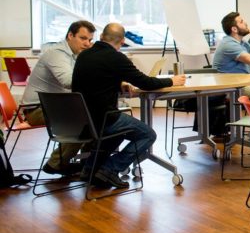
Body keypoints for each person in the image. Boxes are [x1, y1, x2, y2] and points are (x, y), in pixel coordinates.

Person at [71, 23, 185, 189]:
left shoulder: (84, 56)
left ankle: (90, 170)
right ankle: (109, 169)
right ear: (123, 41)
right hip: (104, 118)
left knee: (117, 133)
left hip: (84, 120)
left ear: (102, 36)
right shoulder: (116, 58)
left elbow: (95, 80)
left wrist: (118, 84)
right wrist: (171, 81)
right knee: (148, 134)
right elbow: (145, 82)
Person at [20, 20, 96, 175]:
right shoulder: (57, 53)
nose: (87, 44)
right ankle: (56, 164)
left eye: (90, 40)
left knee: (95, 116)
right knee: (86, 119)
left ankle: (86, 163)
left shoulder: (73, 55)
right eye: (83, 38)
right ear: (70, 35)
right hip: (35, 110)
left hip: (52, 106)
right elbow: (68, 82)